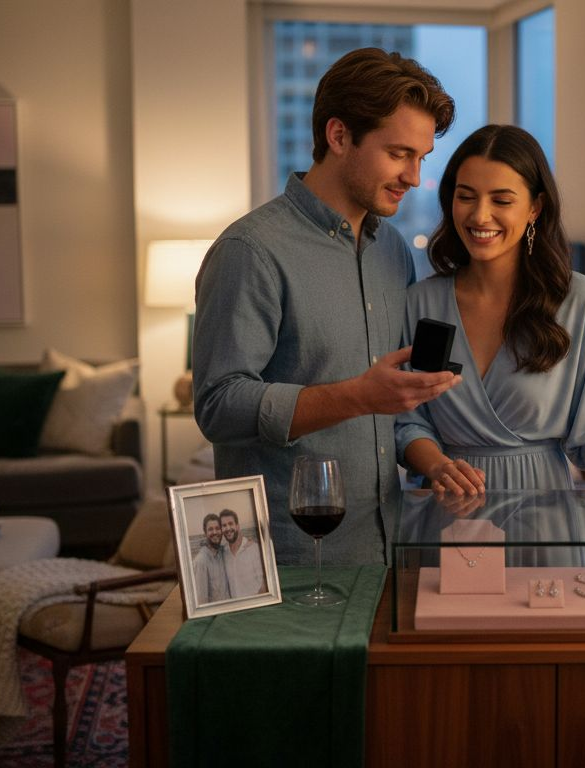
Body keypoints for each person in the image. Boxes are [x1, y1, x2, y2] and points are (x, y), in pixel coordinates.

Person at [193, 48, 459, 565]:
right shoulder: (250, 251)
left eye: (422, 158)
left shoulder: (394, 249)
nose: (413, 176)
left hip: (384, 549)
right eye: (399, 153)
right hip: (283, 558)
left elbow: (394, 409)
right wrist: (357, 397)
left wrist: (434, 459)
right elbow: (218, 405)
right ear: (338, 136)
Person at [396, 125, 585, 494]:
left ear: (535, 208)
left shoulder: (579, 300)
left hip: (543, 510)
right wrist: (440, 468)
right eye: (466, 197)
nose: (480, 216)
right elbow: (408, 422)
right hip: (447, 508)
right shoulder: (421, 303)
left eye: (501, 201)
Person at [219, 508, 267, 596]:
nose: (228, 528)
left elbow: (264, 585)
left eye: (230, 524)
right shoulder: (223, 553)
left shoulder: (254, 549)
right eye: (224, 525)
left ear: (237, 526)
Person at [191, 513, 231, 604]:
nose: (215, 532)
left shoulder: (222, 553)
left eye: (217, 528)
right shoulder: (201, 562)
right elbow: (202, 601)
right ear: (205, 533)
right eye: (210, 529)